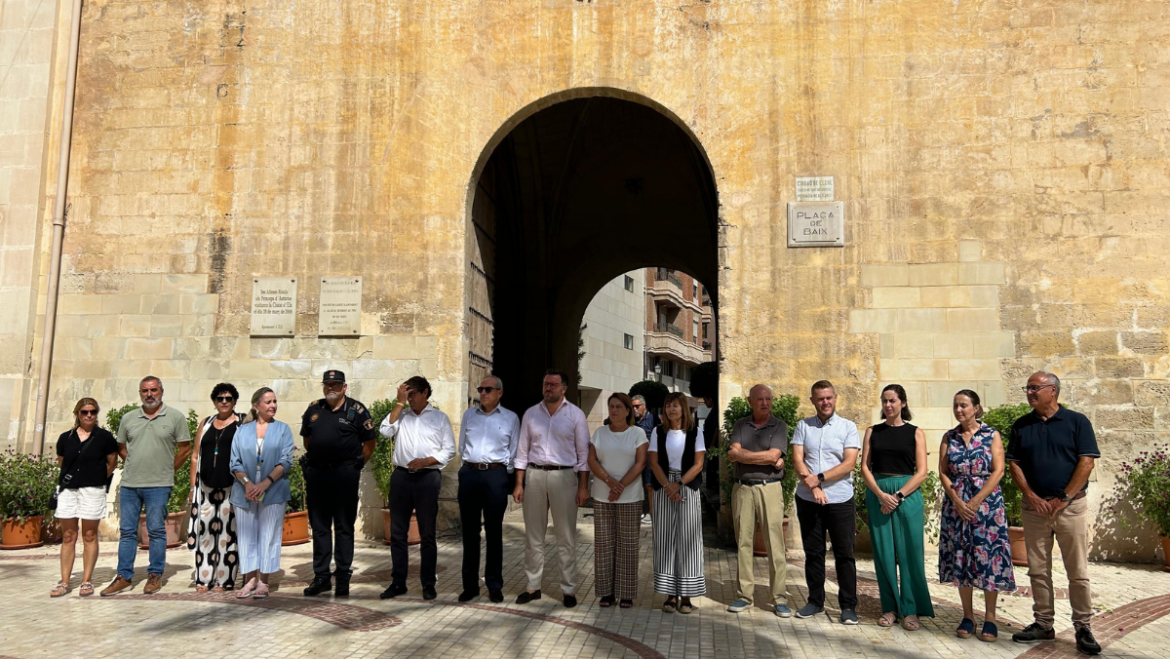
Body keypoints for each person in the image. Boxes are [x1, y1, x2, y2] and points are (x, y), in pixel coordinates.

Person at [1007, 372, 1101, 655]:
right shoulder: (1021, 425)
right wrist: (1031, 496)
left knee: (1078, 571)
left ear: (1053, 390)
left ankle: (1083, 626)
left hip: (1070, 508)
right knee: (1037, 569)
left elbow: (1086, 463)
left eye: (1035, 388)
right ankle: (1043, 623)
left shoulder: (1077, 422)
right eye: (1028, 388)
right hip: (1035, 509)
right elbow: (1014, 464)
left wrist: (1064, 498)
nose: (1030, 392)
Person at [102, 376, 192, 597]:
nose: (149, 394)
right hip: (131, 484)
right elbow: (122, 448)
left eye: (153, 390)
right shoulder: (128, 418)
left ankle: (155, 575)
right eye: (144, 391)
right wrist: (134, 464)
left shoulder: (175, 417)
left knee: (157, 531)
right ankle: (123, 576)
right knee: (127, 532)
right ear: (140, 393)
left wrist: (168, 470)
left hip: (159, 485)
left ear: (161, 391)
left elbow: (185, 449)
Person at [939, 389, 1015, 642]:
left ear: (976, 408)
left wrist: (975, 500)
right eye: (955, 405)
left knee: (988, 558)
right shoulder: (949, 437)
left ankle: (990, 617)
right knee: (961, 556)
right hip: (956, 506)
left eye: (963, 405)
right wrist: (958, 502)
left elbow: (999, 470)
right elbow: (943, 472)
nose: (959, 410)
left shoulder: (991, 434)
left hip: (987, 506)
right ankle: (968, 615)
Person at [513, 369, 590, 608]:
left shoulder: (575, 415)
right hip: (534, 475)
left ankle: (568, 589)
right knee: (533, 535)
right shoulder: (531, 414)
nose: (548, 388)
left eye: (553, 385)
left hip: (564, 476)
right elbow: (522, 451)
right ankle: (532, 586)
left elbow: (583, 454)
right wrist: (519, 483)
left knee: (565, 536)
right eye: (546, 384)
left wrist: (583, 487)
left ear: (564, 389)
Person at [861, 384, 935, 630]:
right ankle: (890, 608)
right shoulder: (873, 431)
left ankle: (911, 609)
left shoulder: (916, 432)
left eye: (892, 400)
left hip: (907, 494)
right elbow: (864, 468)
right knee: (883, 554)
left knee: (910, 553)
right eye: (884, 401)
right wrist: (882, 495)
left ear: (903, 403)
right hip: (878, 493)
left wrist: (898, 495)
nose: (887, 405)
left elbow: (922, 472)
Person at [300, 370, 378, 597]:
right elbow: (307, 441)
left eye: (335, 384)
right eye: (327, 384)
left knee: (344, 527)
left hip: (345, 475)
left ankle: (343, 576)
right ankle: (322, 577)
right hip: (318, 475)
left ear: (344, 387)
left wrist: (355, 466)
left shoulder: (357, 410)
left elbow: (370, 443)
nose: (330, 388)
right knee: (320, 528)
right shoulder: (314, 409)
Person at [378, 376, 456, 601]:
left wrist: (427, 460)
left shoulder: (440, 418)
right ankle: (398, 582)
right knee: (398, 534)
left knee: (428, 534)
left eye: (412, 394)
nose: (409, 399)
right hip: (401, 478)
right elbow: (385, 432)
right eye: (406, 394)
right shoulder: (400, 416)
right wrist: (399, 403)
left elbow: (449, 450)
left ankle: (428, 583)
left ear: (425, 393)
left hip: (428, 478)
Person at [790, 380, 861, 624]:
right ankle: (815, 601)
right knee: (813, 552)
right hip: (808, 500)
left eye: (829, 397)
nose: (825, 402)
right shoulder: (803, 426)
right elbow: (798, 460)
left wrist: (818, 480)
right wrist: (812, 486)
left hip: (840, 499)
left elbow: (849, 464)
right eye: (820, 398)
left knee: (844, 554)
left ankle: (848, 606)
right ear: (812, 400)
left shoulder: (848, 427)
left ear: (835, 397)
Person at [726, 384, 790, 617]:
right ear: (750, 401)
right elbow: (733, 454)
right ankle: (745, 596)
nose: (765, 403)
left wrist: (747, 456)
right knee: (743, 543)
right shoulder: (741, 424)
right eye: (760, 399)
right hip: (743, 489)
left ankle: (779, 598)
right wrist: (765, 459)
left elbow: (774, 455)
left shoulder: (779, 426)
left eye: (769, 399)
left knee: (775, 545)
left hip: (770, 489)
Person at [456, 375, 519, 603]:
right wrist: (469, 467)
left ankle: (494, 584)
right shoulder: (469, 415)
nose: (483, 393)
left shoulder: (511, 418)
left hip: (495, 475)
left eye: (488, 389)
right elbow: (462, 446)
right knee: (470, 533)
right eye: (481, 388)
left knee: (494, 533)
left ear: (499, 393)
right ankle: (470, 586)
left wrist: (503, 472)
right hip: (470, 474)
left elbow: (514, 451)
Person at [229, 388, 295, 599]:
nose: (273, 405)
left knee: (268, 535)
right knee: (247, 536)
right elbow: (234, 461)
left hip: (273, 489)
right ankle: (249, 579)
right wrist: (248, 484)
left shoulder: (283, 429)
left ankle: (264, 581)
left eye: (275, 401)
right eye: (268, 402)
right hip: (244, 491)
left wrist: (265, 483)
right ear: (256, 406)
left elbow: (286, 460)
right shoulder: (242, 431)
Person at [50, 398, 118, 598]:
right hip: (68, 490)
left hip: (92, 490)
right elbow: (62, 463)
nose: (89, 415)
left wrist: (96, 478)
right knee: (69, 536)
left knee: (89, 535)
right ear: (77, 414)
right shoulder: (65, 438)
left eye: (93, 412)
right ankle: (64, 582)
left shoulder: (104, 437)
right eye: (85, 412)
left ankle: (87, 580)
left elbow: (112, 462)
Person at [587, 392, 649, 609]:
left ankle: (626, 593)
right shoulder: (600, 433)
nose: (614, 410)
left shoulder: (637, 433)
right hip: (603, 496)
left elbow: (640, 463)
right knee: (604, 545)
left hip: (630, 497)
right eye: (611, 406)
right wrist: (609, 481)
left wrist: (620, 485)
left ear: (628, 411)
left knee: (628, 546)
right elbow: (591, 459)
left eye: (619, 407)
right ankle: (606, 593)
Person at [649, 391, 706, 614]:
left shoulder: (695, 432)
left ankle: (687, 595)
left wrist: (678, 484)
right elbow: (654, 463)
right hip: (664, 486)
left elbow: (698, 464)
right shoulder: (657, 432)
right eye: (668, 406)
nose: (671, 410)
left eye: (676, 406)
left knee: (689, 540)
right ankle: (670, 594)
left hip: (687, 487)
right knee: (665, 538)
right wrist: (667, 486)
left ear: (684, 408)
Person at [186, 383, 245, 592]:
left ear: (235, 401)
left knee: (228, 536)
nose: (224, 402)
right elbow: (194, 457)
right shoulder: (206, 423)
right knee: (206, 533)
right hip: (206, 489)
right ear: (214, 401)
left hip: (231, 488)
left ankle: (225, 580)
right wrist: (193, 487)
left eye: (228, 398)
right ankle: (204, 578)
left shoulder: (241, 423)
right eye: (220, 398)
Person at [632, 395, 656, 524]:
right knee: (636, 484)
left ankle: (651, 513)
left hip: (649, 457)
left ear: (644, 406)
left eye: (637, 406)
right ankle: (639, 510)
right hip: (635, 457)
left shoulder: (652, 419)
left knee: (649, 484)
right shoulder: (631, 420)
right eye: (633, 407)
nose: (634, 409)